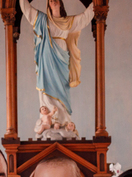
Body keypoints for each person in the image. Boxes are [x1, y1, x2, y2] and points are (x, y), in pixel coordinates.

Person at [21, 0, 94, 133]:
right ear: (48, 4)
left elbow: (85, 18)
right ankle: (49, 119)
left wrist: (96, 4)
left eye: (56, 0)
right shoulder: (42, 20)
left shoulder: (68, 22)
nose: (53, 2)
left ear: (61, 3)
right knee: (46, 89)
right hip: (46, 60)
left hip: (61, 59)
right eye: (50, 0)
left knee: (62, 89)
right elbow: (27, 9)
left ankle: (64, 120)